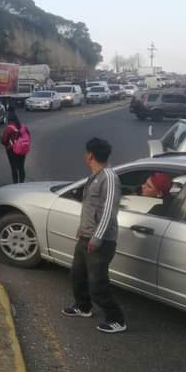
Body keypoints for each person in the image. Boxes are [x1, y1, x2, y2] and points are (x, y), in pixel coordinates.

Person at [62, 138, 126, 334]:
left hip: (100, 242)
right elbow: (91, 208)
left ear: (90, 155)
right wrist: (83, 229)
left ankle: (117, 319)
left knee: (97, 283)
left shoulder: (109, 177)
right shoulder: (95, 176)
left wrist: (96, 238)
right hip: (86, 237)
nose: (84, 156)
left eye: (85, 153)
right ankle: (83, 307)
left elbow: (109, 211)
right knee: (77, 275)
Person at [1, 109, 29, 184]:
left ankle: (15, 184)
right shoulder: (23, 127)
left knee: (14, 168)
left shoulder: (9, 128)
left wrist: (9, 143)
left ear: (9, 120)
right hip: (22, 149)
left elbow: (3, 140)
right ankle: (22, 183)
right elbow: (28, 136)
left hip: (11, 150)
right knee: (21, 167)